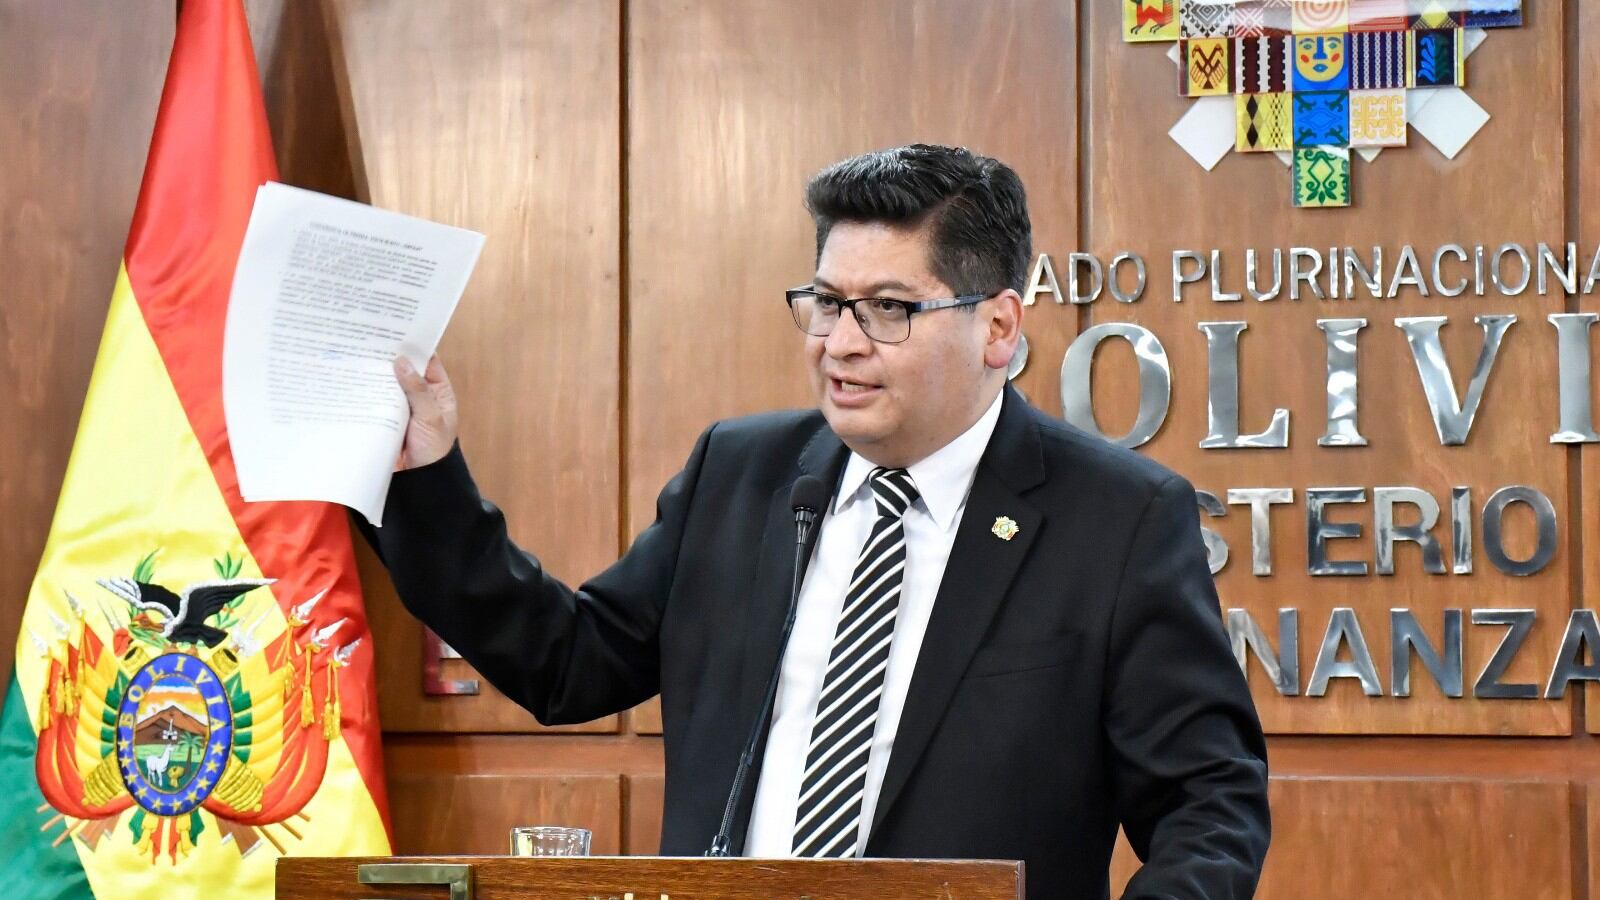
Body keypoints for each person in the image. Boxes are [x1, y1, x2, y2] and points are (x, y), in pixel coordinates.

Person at [371, 144, 1269, 898]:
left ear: (998, 328)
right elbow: (566, 661)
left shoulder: (1117, 520)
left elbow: (1209, 807)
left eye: (888, 310)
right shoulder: (742, 474)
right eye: (828, 302)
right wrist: (427, 478)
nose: (840, 343)